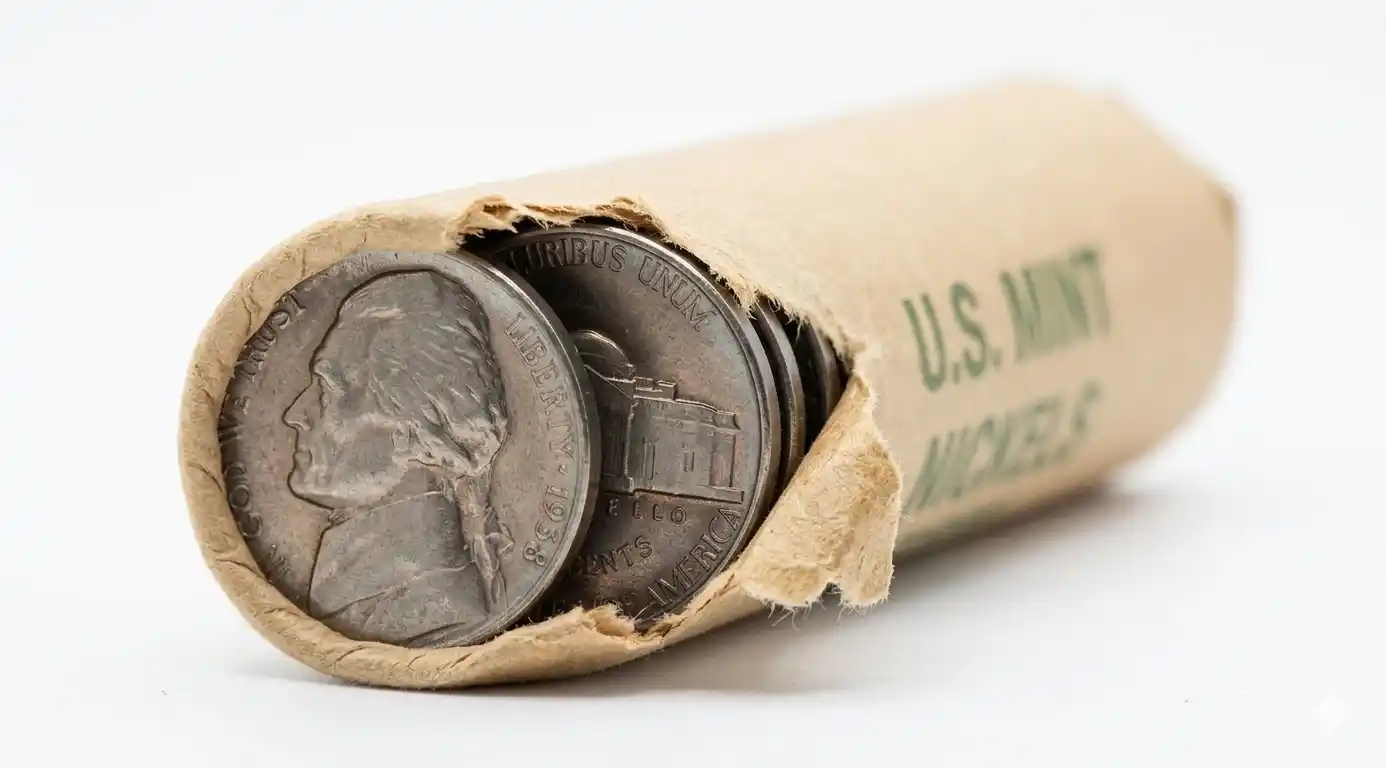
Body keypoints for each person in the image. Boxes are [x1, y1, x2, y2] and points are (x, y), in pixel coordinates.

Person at [282, 269, 511, 648]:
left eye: (327, 390)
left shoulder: (434, 611)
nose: (294, 414)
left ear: (413, 428)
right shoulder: (354, 592)